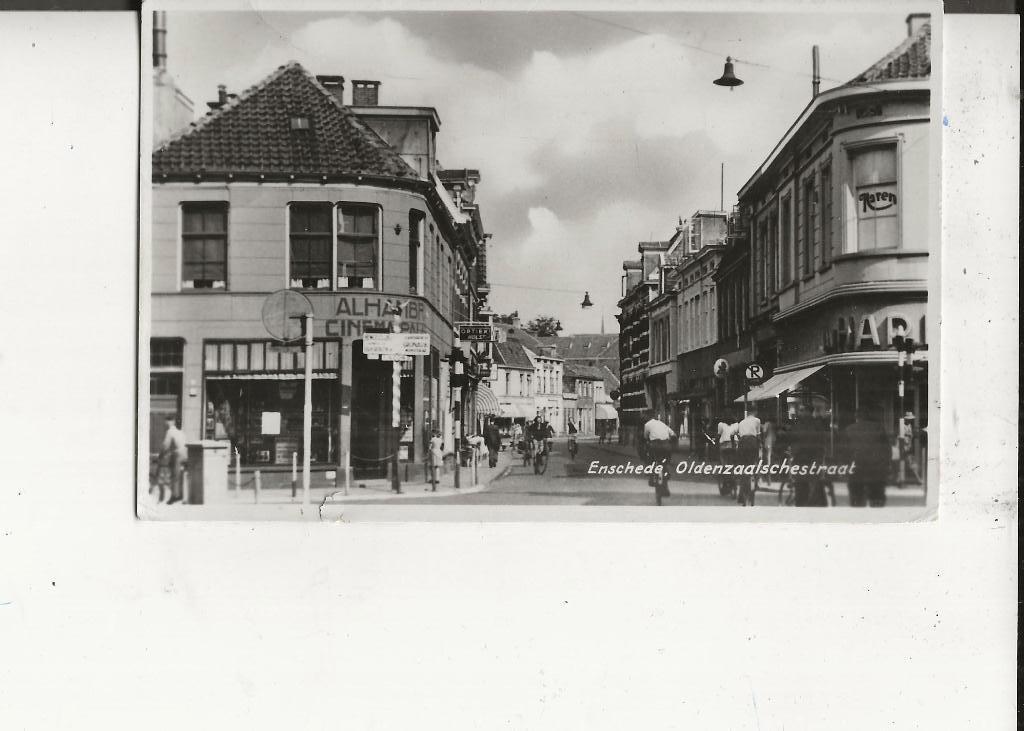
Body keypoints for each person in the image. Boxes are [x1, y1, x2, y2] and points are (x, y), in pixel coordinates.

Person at [841, 407, 891, 507]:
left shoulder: (849, 429)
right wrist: (885, 465)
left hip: (856, 467)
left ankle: (859, 514)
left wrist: (845, 467)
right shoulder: (878, 428)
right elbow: (886, 449)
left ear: (856, 417)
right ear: (869, 416)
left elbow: (844, 452)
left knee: (857, 497)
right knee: (876, 498)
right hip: (875, 468)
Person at [786, 403, 829, 506]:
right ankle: (811, 503)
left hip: (805, 456)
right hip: (808, 456)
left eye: (802, 410)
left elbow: (794, 438)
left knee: (804, 482)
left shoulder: (800, 424)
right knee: (812, 482)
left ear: (808, 412)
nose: (800, 413)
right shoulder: (815, 424)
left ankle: (804, 503)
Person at [642, 410, 676, 504]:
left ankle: (651, 473)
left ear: (647, 417)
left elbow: (645, 437)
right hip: (666, 446)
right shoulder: (662, 424)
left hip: (655, 446)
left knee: (650, 457)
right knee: (665, 464)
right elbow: (673, 434)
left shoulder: (647, 425)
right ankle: (666, 475)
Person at [159, 415, 188, 505]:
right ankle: (182, 495)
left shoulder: (170, 431)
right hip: (186, 454)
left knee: (175, 476)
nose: (166, 423)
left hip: (178, 455)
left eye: (167, 421)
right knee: (183, 475)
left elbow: (165, 446)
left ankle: (174, 496)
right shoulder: (180, 431)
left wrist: (161, 455)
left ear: (170, 422)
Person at [735, 409, 762, 504]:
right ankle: (755, 480)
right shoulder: (757, 420)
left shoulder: (741, 422)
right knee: (754, 465)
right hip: (752, 443)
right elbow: (758, 436)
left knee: (743, 468)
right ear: (755, 412)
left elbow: (738, 436)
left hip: (742, 444)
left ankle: (742, 495)